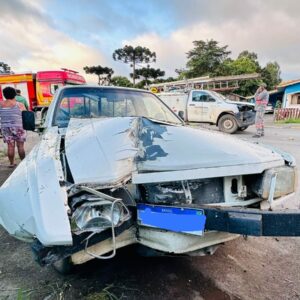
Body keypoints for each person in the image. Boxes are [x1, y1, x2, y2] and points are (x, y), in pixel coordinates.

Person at [0, 87, 26, 167]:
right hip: (18, 126)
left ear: (4, 95)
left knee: (10, 146)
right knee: (20, 146)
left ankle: (11, 163)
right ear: (14, 94)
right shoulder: (19, 104)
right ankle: (23, 163)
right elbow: (25, 115)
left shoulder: (0, 104)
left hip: (5, 127)